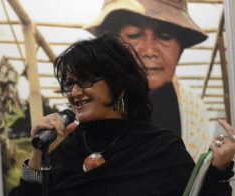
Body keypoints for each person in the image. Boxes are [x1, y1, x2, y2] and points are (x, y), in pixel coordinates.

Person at [7, 34, 235, 196]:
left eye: (85, 80)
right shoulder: (64, 149)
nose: (75, 92)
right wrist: (38, 155)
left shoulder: (161, 147)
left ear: (119, 85)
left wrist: (218, 168)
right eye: (69, 84)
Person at [84, 0, 211, 161]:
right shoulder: (88, 99)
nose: (150, 51)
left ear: (180, 46)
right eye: (134, 34)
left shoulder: (192, 107)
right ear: (115, 44)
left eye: (165, 37)